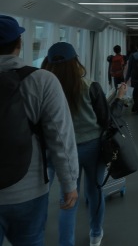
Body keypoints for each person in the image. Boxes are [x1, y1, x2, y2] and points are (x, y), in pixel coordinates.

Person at [0, 15, 79, 246]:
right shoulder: (43, 80)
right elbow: (60, 137)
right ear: (19, 43)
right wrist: (69, 184)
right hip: (29, 191)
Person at [42, 42, 127, 246]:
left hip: (61, 151)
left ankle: (66, 243)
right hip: (92, 147)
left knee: (67, 199)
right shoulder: (90, 87)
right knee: (94, 191)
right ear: (75, 62)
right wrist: (119, 99)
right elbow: (105, 120)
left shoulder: (44, 89)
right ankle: (95, 235)